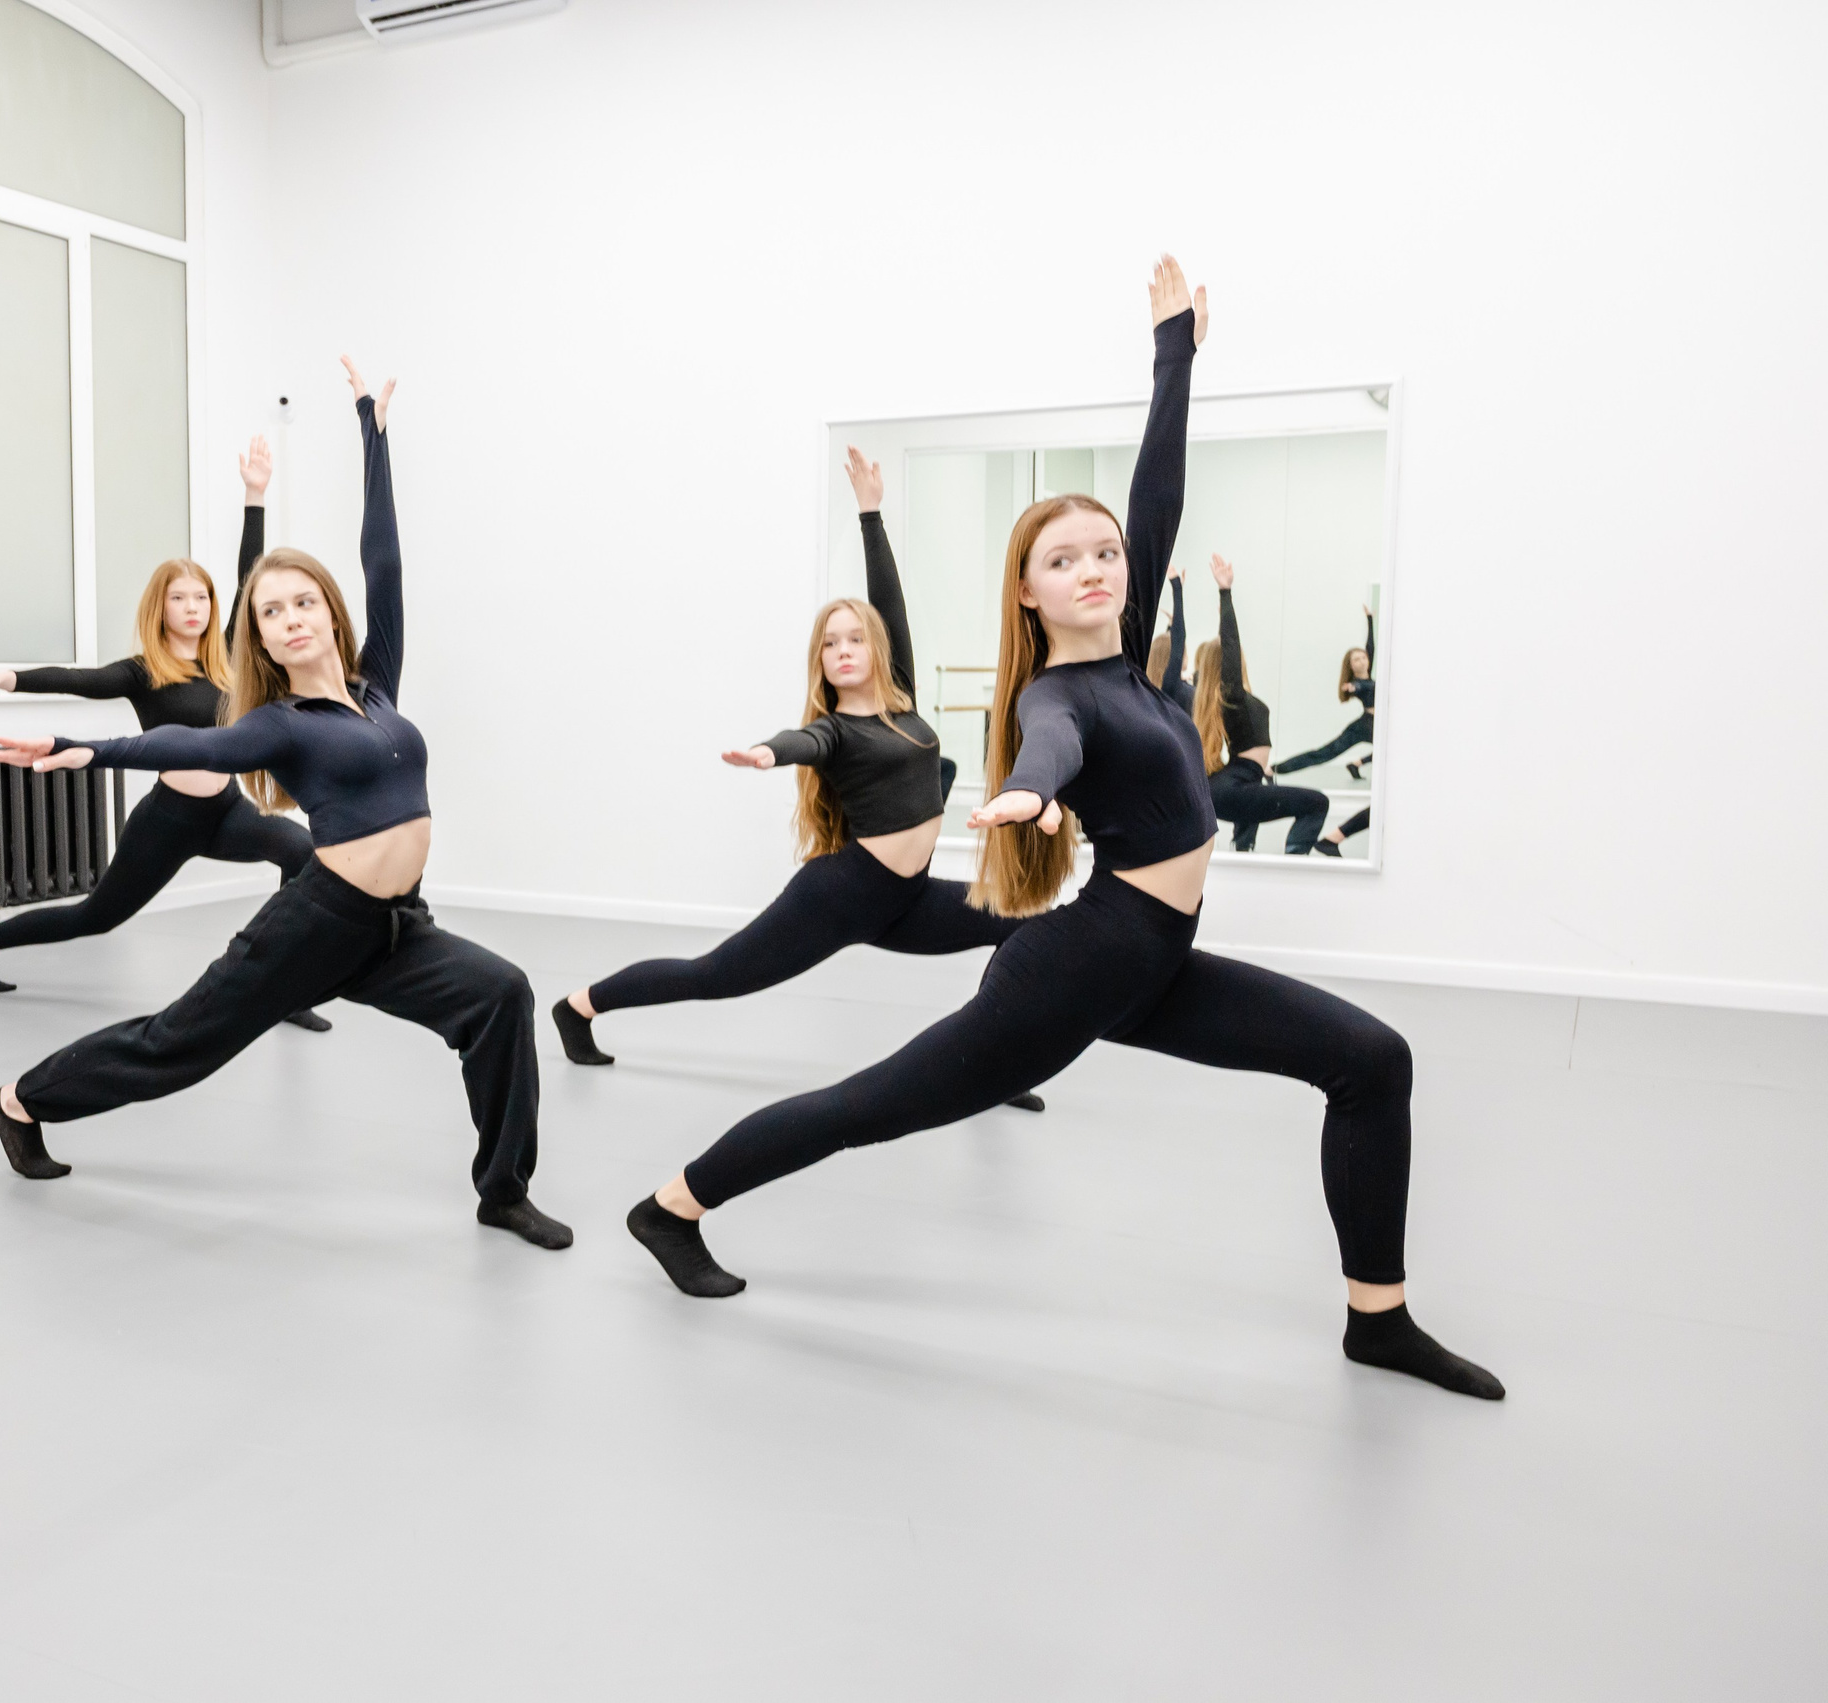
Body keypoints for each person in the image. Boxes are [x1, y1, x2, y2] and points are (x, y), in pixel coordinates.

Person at [623, 260, 1502, 1401]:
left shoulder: (1132, 660)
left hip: (1150, 960)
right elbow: (1048, 753)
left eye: (1104, 553)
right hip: (1072, 969)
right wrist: (1033, 795)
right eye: (1061, 559)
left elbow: (1159, 490)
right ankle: (671, 1203)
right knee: (867, 1107)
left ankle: (1375, 1321)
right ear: (1027, 591)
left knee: (1372, 1060)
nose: (1093, 565)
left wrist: (1175, 348)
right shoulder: (1056, 699)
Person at [0, 360, 571, 1250]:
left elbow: (387, 562)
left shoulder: (378, 686)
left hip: (396, 927)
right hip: (314, 925)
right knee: (176, 1048)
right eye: (269, 613)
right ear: (256, 637)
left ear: (329, 613)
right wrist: (83, 748)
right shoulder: (280, 725)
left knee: (501, 995)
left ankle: (502, 1190)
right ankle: (20, 1099)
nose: (290, 618)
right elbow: (189, 746)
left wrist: (372, 432)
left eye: (303, 602)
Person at [549, 448, 1042, 1111]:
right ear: (821, 660)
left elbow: (888, 604)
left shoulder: (904, 705)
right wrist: (767, 752)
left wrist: (871, 514)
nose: (842, 648)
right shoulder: (834, 731)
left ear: (875, 649)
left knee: (1017, 922)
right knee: (717, 975)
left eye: (853, 639)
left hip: (907, 897)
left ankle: (995, 1064)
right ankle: (579, 1005)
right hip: (841, 896)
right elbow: (803, 740)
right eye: (829, 643)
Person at [0, 438, 329, 1032]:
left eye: (201, 597)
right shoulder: (143, 672)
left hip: (224, 809)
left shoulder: (225, 655)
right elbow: (77, 679)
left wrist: (254, 496)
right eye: (180, 597)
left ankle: (281, 985)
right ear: (160, 607)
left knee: (300, 852)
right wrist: (3, 678)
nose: (193, 607)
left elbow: (253, 580)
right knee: (96, 917)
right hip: (168, 820)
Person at [1196, 555, 1327, 854]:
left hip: (1240, 782)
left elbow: (1227, 648)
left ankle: (1246, 856)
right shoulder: (1231, 697)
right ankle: (1294, 864)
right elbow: (1229, 646)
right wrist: (1225, 594)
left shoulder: (1233, 700)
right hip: (1233, 785)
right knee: (1317, 803)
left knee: (1255, 806)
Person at [1275, 606, 1377, 784]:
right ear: (1351, 666)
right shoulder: (1357, 683)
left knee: (1392, 749)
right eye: (1356, 659)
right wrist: (1352, 688)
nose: (1362, 660)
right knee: (1324, 754)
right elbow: (1359, 687)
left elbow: (1370, 646)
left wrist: (1369, 619)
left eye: (1363, 657)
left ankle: (1356, 763)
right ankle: (1275, 769)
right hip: (1364, 726)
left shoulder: (1367, 674)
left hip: (1374, 723)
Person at [1145, 560, 1194, 716]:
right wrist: (1177, 589)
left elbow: (1172, 644)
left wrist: (1171, 625)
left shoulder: (1150, 689)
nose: (1185, 654)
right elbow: (1177, 643)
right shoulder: (1173, 687)